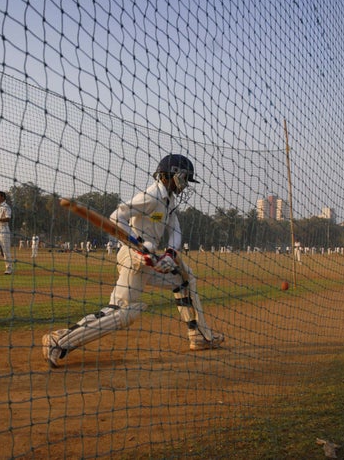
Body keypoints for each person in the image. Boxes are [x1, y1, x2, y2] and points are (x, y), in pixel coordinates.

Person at [42, 154, 224, 368]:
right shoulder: (152, 195)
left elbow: (175, 230)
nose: (185, 185)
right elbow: (116, 216)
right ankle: (59, 341)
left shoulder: (169, 200)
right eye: (184, 178)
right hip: (133, 257)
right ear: (172, 175)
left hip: (151, 257)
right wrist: (139, 246)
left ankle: (199, 335)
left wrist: (169, 255)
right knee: (123, 311)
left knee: (183, 278)